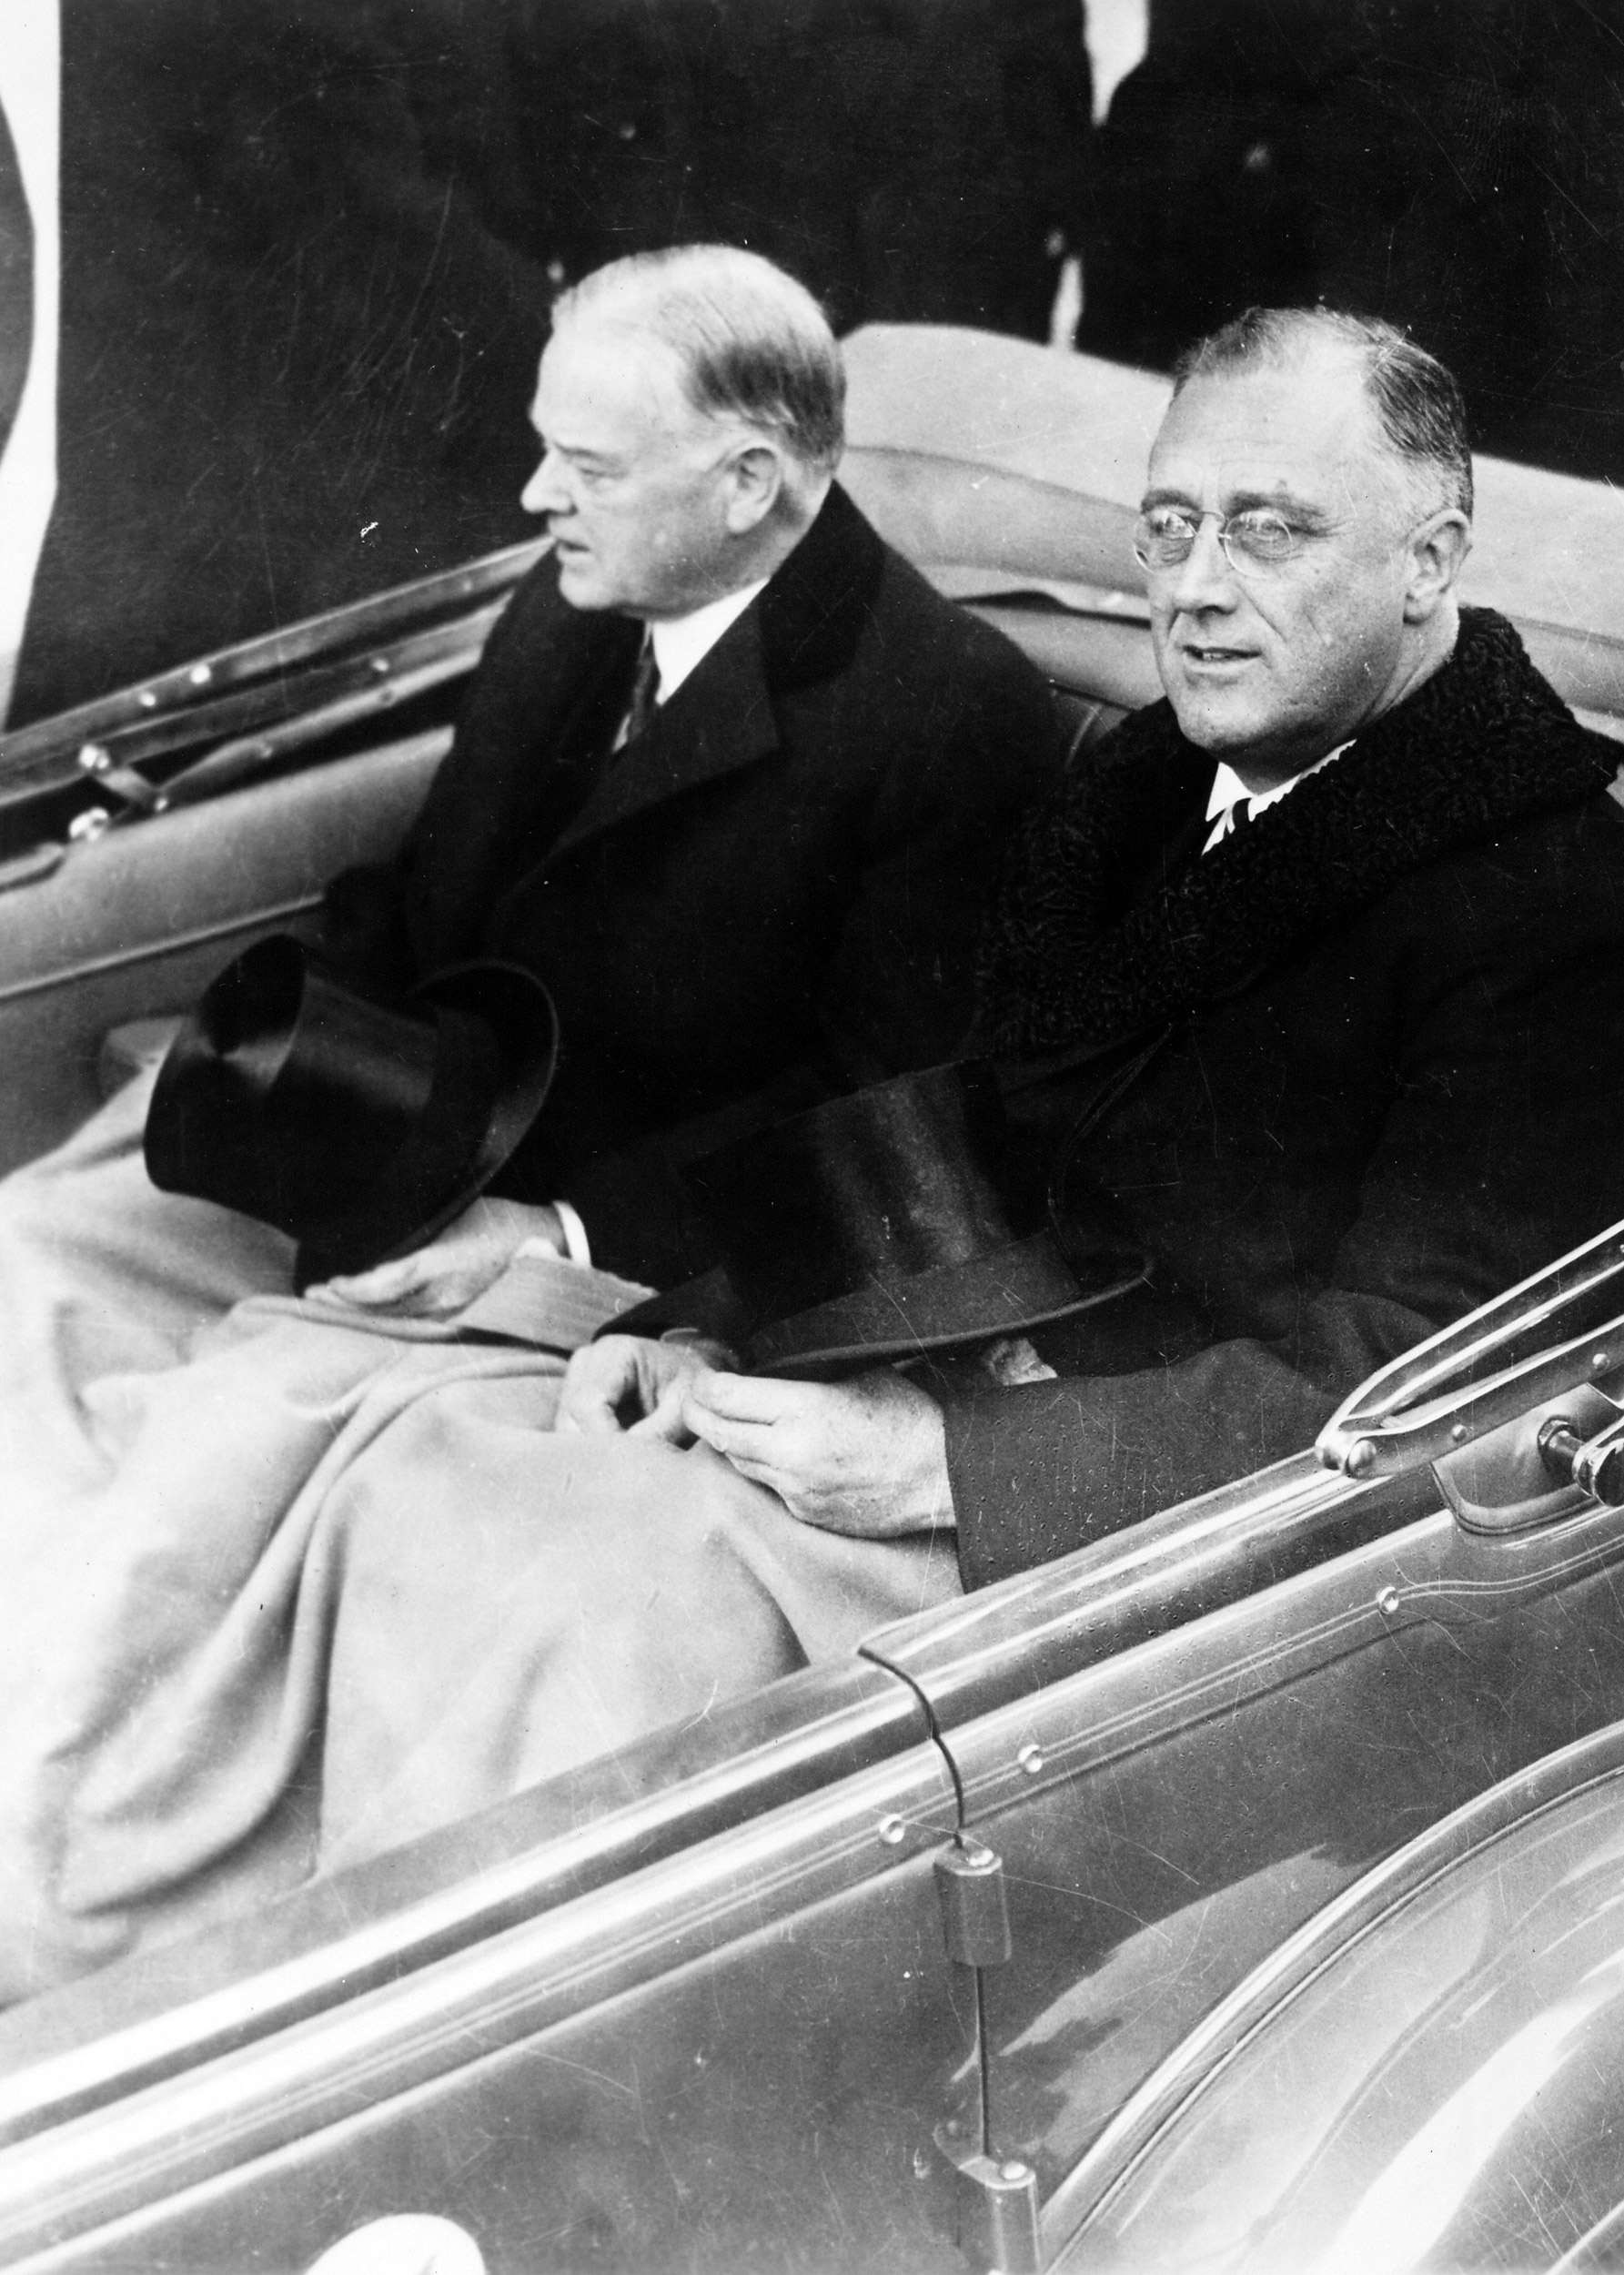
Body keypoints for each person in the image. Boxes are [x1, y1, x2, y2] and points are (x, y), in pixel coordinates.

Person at [0, 246, 1060, 1996]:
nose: (528, 494)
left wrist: (558, 1243)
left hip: (635, 1251)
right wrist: (297, 1058)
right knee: (30, 1258)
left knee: (233, 1430)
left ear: (749, 484)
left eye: (583, 464)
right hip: (418, 1154)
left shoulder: (946, 720)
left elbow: (879, 1123)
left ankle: (89, 1925)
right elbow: (425, 903)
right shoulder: (574, 611)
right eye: (538, 446)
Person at [567, 305, 1624, 1585]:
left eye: (1268, 531)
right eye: (1169, 526)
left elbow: (1429, 1385)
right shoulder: (1146, 791)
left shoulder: (1553, 903)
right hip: (966, 1431)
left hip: (1166, 1567)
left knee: (595, 1600)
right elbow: (967, 1135)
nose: (1190, 587)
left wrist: (941, 1466)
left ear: (1427, 562)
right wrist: (724, 1335)